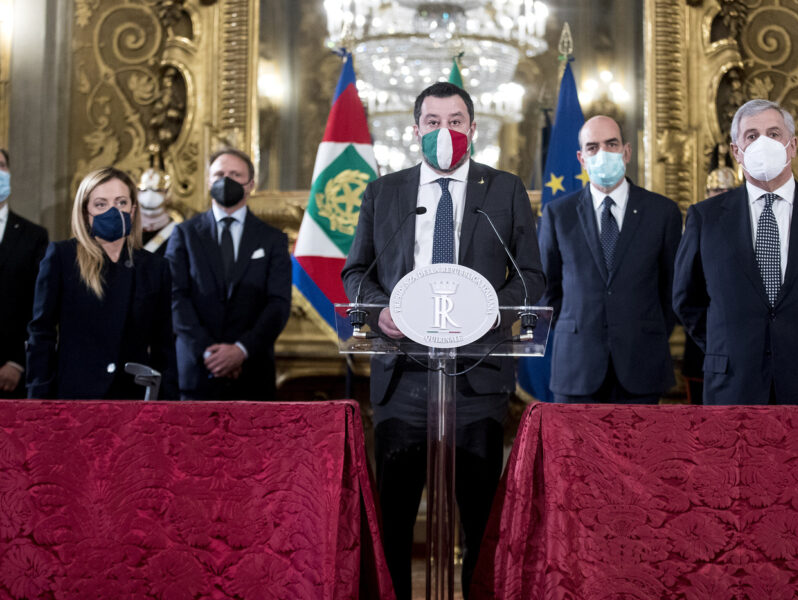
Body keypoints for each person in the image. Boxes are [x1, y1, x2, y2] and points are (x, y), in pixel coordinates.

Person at [341, 82, 544, 600]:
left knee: (480, 519)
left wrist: (489, 312)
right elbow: (356, 273)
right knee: (394, 522)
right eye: (433, 122)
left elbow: (531, 277)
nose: (444, 131)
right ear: (415, 132)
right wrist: (378, 310)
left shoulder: (504, 190)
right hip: (404, 378)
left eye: (455, 121)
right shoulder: (383, 192)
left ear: (473, 129)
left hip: (477, 380)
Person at [673, 98, 798, 405]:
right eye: (751, 136)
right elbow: (687, 299)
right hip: (732, 386)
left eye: (774, 134)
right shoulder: (705, 218)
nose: (763, 142)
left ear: (792, 146)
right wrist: (728, 348)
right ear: (736, 151)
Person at [539, 115, 682, 404]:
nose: (602, 153)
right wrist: (580, 329)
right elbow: (546, 288)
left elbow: (674, 290)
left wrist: (642, 329)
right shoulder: (558, 215)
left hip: (641, 365)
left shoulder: (662, 213)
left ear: (626, 152)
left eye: (611, 144)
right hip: (576, 367)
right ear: (581, 157)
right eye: (592, 147)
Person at [26, 167, 176, 399]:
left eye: (120, 202)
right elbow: (41, 333)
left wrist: (166, 405)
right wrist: (38, 400)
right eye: (100, 204)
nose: (112, 211)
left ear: (133, 210)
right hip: (74, 398)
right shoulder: (62, 257)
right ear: (86, 212)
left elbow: (164, 344)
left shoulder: (155, 267)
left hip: (133, 398)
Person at [166, 148, 291, 400]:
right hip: (196, 373)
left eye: (235, 174)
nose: (226, 180)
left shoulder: (273, 239)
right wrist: (209, 353)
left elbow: (278, 304)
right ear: (208, 182)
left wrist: (241, 350)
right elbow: (175, 297)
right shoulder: (184, 234)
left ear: (250, 184)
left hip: (253, 373)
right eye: (219, 174)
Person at [681, 162, 740, 405]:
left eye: (726, 192)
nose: (720, 197)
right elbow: (683, 293)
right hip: (705, 345)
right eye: (715, 192)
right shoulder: (697, 223)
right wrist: (712, 339)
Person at [0, 149, 49, 398]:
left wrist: (17, 362)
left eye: (1, 165)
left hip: (11, 374)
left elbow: (39, 305)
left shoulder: (34, 236)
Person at [137, 166, 177, 254]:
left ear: (167, 192)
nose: (149, 195)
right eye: (144, 190)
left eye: (157, 190)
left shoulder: (178, 225)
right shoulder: (126, 226)